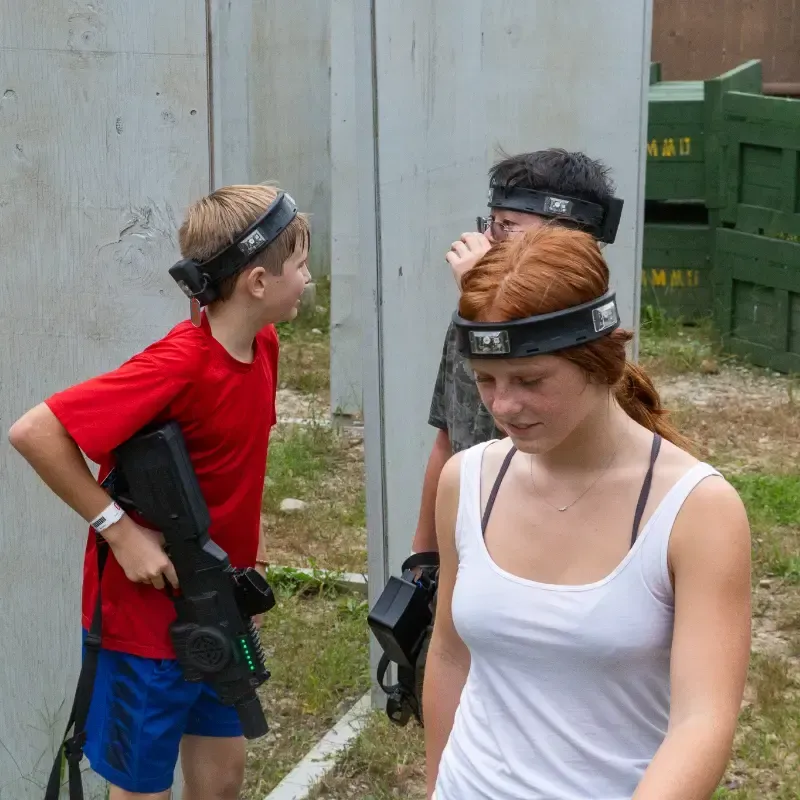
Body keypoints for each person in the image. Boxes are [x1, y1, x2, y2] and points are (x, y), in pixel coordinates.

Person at [423, 225, 752, 800]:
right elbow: (450, 653)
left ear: (599, 360)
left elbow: (703, 720)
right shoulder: (469, 481)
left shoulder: (696, 511)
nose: (503, 405)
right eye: (486, 380)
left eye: (530, 380)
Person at [8, 184, 311, 800]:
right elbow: (34, 431)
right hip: (145, 625)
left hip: (218, 606)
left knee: (222, 780)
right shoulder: (179, 364)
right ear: (257, 281)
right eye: (301, 266)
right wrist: (118, 531)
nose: (309, 279)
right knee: (142, 791)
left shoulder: (265, 345)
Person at [412, 148, 619, 554]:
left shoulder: (585, 336)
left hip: (540, 544)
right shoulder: (470, 314)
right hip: (467, 538)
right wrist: (422, 557)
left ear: (565, 238)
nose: (488, 238)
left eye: (508, 225)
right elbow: (447, 439)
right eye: (491, 223)